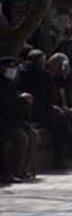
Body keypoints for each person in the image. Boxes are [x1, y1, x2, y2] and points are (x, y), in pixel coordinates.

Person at [0, 56, 37, 184]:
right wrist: (19, 99)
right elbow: (5, 103)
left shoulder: (10, 82)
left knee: (34, 135)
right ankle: (11, 171)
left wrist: (23, 97)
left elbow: (15, 96)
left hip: (15, 120)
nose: (12, 70)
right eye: (9, 67)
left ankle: (22, 169)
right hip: (4, 122)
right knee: (22, 138)